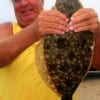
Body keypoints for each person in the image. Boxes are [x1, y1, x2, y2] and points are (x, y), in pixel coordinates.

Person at [0, 0, 100, 100]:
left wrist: (97, 32)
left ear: (42, 1)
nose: (23, 3)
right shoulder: (6, 28)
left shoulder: (78, 28)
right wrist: (33, 32)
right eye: (17, 0)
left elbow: (97, 64)